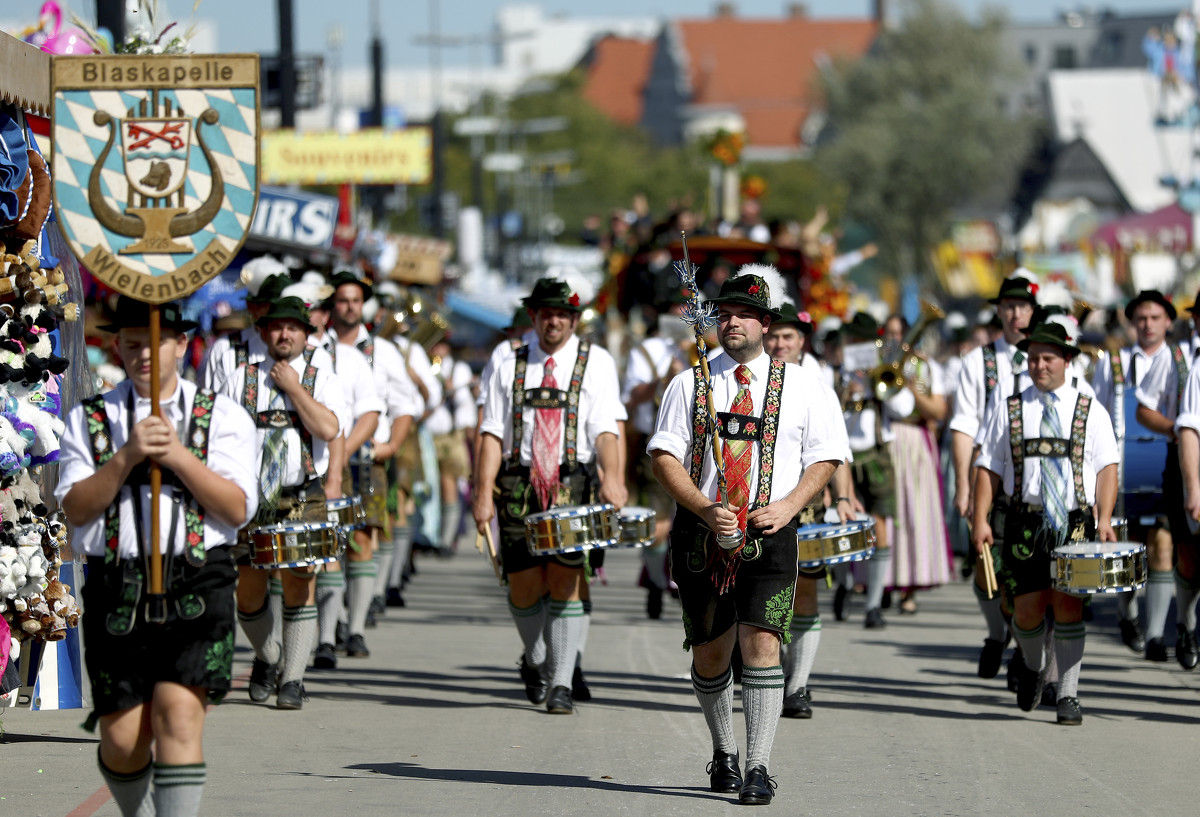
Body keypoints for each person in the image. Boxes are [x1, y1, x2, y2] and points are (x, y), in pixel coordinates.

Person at [649, 270, 843, 805]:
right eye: (723, 314)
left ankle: (758, 765)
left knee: (762, 643)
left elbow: (825, 456)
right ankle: (725, 750)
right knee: (711, 652)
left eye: (742, 315)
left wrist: (788, 505)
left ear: (765, 323)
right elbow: (664, 456)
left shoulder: (804, 383)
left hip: (770, 530)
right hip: (702, 534)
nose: (730, 323)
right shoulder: (691, 382)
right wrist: (706, 507)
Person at [57, 298, 257, 817]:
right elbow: (76, 509)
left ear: (181, 344)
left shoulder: (223, 416)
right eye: (131, 344)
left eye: (155, 343)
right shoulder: (91, 417)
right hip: (116, 584)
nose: (143, 354)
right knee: (123, 740)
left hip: (197, 579)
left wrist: (178, 457)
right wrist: (126, 457)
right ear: (118, 348)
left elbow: (236, 508)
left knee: (178, 716)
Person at [473, 277, 626, 715]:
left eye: (562, 314)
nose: (553, 320)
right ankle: (538, 658)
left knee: (564, 579)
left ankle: (560, 681)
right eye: (545, 313)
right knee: (521, 585)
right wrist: (483, 492)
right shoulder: (509, 363)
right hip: (519, 483)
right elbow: (491, 433)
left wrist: (612, 476)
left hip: (571, 481)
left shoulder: (596, 362)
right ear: (534, 317)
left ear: (574, 319)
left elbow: (606, 428)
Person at [972, 322, 1118, 725]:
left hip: (1074, 522)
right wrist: (980, 517)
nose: (1039, 365)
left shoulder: (1090, 409)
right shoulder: (1011, 407)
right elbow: (989, 467)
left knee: (1068, 606)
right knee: (1027, 611)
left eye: (1048, 358)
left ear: (1067, 361)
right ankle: (1034, 666)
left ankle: (1069, 694)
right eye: (1033, 358)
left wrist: (1104, 519)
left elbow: (1107, 467)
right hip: (1025, 520)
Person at [220, 296, 344, 709]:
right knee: (249, 592)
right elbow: (218, 438)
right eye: (277, 327)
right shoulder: (241, 378)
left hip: (301, 492)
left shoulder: (322, 377)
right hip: (250, 494)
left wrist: (293, 388)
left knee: (299, 581)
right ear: (263, 332)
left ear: (307, 335)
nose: (285, 334)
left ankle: (293, 678)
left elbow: (329, 427)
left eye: (294, 327)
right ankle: (267, 656)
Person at [765, 300, 854, 720]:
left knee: (805, 591)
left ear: (801, 342)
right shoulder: (748, 377)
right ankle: (768, 666)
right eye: (774, 336)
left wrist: (843, 499)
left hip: (807, 501)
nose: (780, 343)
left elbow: (835, 451)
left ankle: (798, 684)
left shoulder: (817, 384)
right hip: (758, 502)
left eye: (788, 337)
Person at [949, 274, 1037, 678]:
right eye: (1008, 306)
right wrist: (964, 486)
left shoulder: (1049, 358)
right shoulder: (978, 360)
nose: (1016, 314)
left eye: (1023, 306)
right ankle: (996, 632)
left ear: (1034, 311)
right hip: (989, 473)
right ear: (998, 311)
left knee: (1030, 568)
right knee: (987, 565)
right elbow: (964, 425)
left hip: (1034, 475)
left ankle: (1023, 643)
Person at [327, 272, 418, 656]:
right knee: (329, 545)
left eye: (355, 300)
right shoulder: (317, 346)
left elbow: (406, 404)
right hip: (322, 460)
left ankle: (357, 628)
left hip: (365, 458)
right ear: (332, 305)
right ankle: (327, 632)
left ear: (363, 305)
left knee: (362, 538)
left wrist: (392, 443)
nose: (349, 307)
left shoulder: (383, 350)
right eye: (342, 300)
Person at [1090, 290, 1179, 655]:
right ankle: (1128, 616)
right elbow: (1095, 416)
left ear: (1168, 322)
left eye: (1155, 317)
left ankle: (1156, 634)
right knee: (1127, 545)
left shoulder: (1180, 361)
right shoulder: (1112, 362)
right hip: (1123, 465)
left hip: (1163, 463)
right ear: (1132, 322)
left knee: (1161, 542)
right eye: (1141, 318)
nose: (1147, 325)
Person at [835, 312, 911, 628]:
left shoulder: (885, 369)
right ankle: (844, 583)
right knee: (841, 524)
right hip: (844, 456)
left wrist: (877, 385)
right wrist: (845, 393)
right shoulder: (834, 371)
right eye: (852, 339)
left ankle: (873, 604)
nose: (856, 344)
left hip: (877, 454)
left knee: (879, 524)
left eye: (861, 339)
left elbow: (905, 408)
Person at [1132, 291, 1194, 665]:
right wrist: (1183, 429)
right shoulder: (1177, 357)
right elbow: (1143, 410)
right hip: (1176, 460)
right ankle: (1175, 627)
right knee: (1178, 549)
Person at [622, 290, 688, 619]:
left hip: (700, 446)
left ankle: (680, 579)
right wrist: (664, 377)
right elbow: (631, 397)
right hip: (658, 442)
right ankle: (659, 581)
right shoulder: (647, 351)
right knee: (659, 526)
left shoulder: (705, 348)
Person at [881, 313, 953, 614]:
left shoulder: (926, 366)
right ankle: (882, 581)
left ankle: (909, 587)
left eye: (902, 333)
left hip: (914, 438)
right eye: (892, 333)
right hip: (884, 439)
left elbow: (938, 411)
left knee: (915, 513)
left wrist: (911, 389)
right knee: (885, 512)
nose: (897, 339)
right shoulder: (879, 362)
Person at [426, 338, 476, 552]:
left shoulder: (459, 368)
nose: (438, 348)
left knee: (448, 484)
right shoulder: (425, 363)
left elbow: (464, 401)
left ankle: (447, 539)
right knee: (428, 486)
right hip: (427, 434)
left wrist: (450, 389)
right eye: (435, 344)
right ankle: (429, 536)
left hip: (450, 435)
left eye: (442, 344)